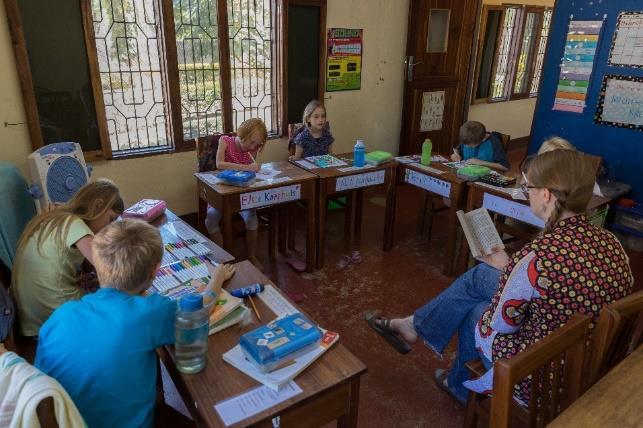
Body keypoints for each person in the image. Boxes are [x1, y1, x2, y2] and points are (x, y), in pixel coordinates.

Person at [366, 150, 633, 404]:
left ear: (547, 195)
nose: (527, 194)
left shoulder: (536, 256)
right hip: (589, 360)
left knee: (476, 312)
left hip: (541, 375)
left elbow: (498, 326)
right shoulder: (611, 242)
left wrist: (512, 271)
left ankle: (456, 383)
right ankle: (417, 329)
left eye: (529, 188)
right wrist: (510, 269)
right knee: (484, 275)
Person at [35, 219, 235, 428]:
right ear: (155, 270)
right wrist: (217, 277)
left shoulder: (60, 316)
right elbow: (201, 308)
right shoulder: (150, 311)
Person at [12, 179, 124, 337]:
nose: (110, 227)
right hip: (56, 315)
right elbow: (109, 269)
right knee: (121, 307)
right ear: (98, 206)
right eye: (111, 219)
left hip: (32, 319)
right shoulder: (75, 224)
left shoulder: (55, 218)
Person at [206, 117, 268, 270]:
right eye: (251, 142)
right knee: (211, 220)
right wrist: (247, 168)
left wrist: (254, 170)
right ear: (242, 135)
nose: (253, 146)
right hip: (222, 192)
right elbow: (219, 164)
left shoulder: (251, 150)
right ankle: (221, 260)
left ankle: (251, 255)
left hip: (242, 194)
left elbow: (250, 175)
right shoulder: (225, 141)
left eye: (257, 144)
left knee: (252, 218)